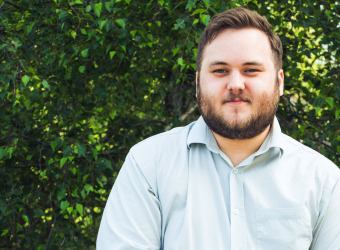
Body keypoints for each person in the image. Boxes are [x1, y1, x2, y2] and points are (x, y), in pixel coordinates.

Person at [97, 7, 340, 250]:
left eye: (251, 70)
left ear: (279, 82)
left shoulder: (324, 182)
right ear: (197, 83)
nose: (235, 84)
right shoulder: (148, 165)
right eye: (220, 70)